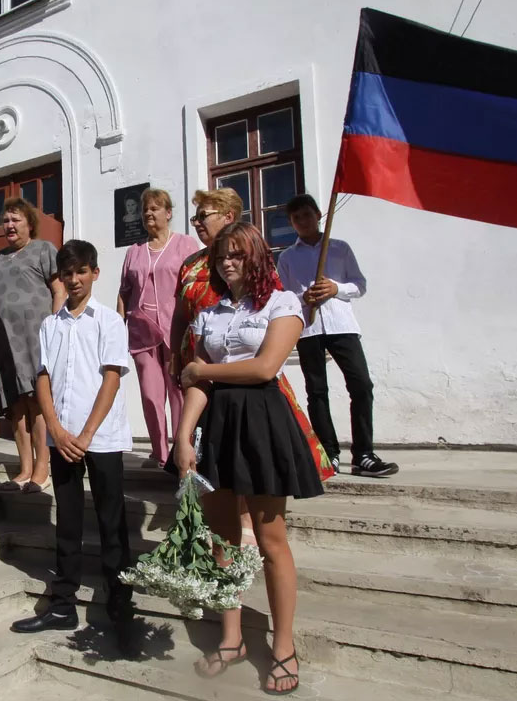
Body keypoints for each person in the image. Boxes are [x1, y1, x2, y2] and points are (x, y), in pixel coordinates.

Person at [174, 222, 325, 696]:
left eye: (237, 253)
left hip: (262, 420)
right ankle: (232, 638)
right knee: (222, 539)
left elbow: (264, 367)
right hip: (218, 424)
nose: (227, 261)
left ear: (256, 256)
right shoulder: (210, 312)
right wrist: (182, 438)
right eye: (221, 254)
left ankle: (283, 646)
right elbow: (197, 385)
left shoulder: (282, 303)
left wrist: (202, 368)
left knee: (269, 537)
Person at [12, 240, 133, 639]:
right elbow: (42, 378)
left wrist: (85, 434)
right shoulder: (51, 324)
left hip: (101, 437)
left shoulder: (109, 321)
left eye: (82, 271)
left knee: (111, 522)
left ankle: (119, 606)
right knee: (67, 522)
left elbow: (111, 378)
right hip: (62, 439)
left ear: (95, 273)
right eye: (68, 273)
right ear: (60, 278)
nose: (75, 279)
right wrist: (58, 432)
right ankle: (63, 603)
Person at [170, 189, 328, 476]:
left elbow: (269, 337)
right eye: (195, 218)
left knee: (256, 469)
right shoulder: (191, 265)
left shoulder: (263, 276)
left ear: (228, 216)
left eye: (203, 216)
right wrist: (176, 357)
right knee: (216, 468)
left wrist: (200, 371)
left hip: (248, 373)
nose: (197, 223)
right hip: (202, 361)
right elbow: (181, 315)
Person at [276, 194, 397, 478]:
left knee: (362, 385)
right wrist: (302, 296)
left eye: (307, 215)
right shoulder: (287, 257)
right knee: (317, 392)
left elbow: (359, 285)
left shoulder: (339, 249)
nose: (303, 222)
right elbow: (282, 296)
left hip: (343, 326)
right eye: (296, 219)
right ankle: (327, 451)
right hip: (309, 329)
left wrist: (336, 289)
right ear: (292, 224)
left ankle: (364, 453)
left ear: (318, 215)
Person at [0, 198, 65, 493]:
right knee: (15, 407)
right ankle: (24, 468)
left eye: (15, 220)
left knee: (37, 402)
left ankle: (43, 469)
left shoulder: (44, 250)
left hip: (36, 340)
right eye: (5, 220)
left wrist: (55, 331)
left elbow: (58, 290)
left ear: (29, 223)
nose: (9, 225)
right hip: (5, 343)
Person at [117, 188, 200, 468]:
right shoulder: (134, 251)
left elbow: (196, 283)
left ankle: (180, 450)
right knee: (151, 395)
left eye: (155, 208)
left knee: (178, 392)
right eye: (145, 210)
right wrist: (120, 327)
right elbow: (124, 292)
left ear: (169, 213)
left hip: (176, 329)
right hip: (142, 332)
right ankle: (158, 451)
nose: (149, 214)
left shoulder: (186, 244)